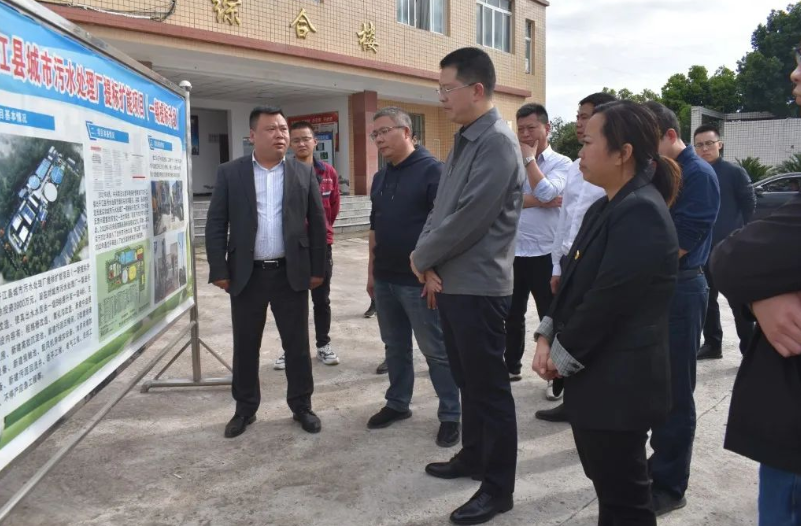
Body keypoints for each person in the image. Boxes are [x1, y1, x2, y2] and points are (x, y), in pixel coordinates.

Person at [533, 100, 680, 526]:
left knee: (626, 502)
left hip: (620, 386)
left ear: (623, 153)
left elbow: (609, 302)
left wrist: (559, 357)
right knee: (610, 490)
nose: (580, 151)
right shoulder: (606, 206)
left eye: (589, 142)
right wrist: (546, 333)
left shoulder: (642, 211)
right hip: (596, 378)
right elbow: (574, 282)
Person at [411, 47, 524, 525]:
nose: (441, 98)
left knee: (490, 391)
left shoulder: (497, 142)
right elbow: (440, 210)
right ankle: (474, 456)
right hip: (452, 283)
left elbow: (470, 219)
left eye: (447, 89)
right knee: (468, 383)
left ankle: (498, 489)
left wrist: (421, 258)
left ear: (476, 89)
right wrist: (424, 260)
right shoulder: (464, 139)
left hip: (479, 287)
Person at [710, 50, 801, 526]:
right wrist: (764, 290)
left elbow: (731, 256)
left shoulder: (731, 174)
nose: (794, 73)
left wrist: (757, 274)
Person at [205, 106, 327, 438]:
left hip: (290, 273)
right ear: (252, 136)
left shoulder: (302, 172)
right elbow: (216, 223)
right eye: (271, 129)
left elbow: (318, 223)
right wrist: (219, 268)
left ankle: (302, 406)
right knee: (246, 346)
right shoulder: (231, 173)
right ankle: (245, 409)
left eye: (284, 129)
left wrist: (318, 269)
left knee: (297, 346)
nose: (280, 135)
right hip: (247, 275)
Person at [365, 107, 461, 447]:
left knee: (436, 351)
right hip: (386, 278)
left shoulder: (434, 171)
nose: (378, 139)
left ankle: (451, 414)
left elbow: (445, 229)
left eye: (384, 131)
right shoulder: (381, 176)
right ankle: (397, 403)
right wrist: (371, 272)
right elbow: (375, 227)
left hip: (419, 281)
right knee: (395, 347)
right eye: (374, 134)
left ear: (406, 132)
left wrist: (432, 271)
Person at [643, 101, 720, 516]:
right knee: (653, 387)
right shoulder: (660, 170)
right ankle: (655, 466)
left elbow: (679, 243)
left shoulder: (698, 175)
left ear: (670, 136)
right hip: (655, 287)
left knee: (674, 393)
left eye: (648, 142)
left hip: (681, 289)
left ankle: (670, 485)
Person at [535, 91, 616, 423]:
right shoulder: (574, 167)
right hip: (571, 260)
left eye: (585, 116)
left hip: (596, 263)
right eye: (578, 116)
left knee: (590, 334)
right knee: (566, 329)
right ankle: (571, 401)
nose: (579, 123)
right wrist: (557, 265)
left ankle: (592, 406)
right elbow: (564, 220)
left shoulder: (615, 173)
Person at [504, 103, 570, 383]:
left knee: (551, 316)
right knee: (511, 314)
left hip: (546, 253)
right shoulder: (510, 161)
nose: (525, 134)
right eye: (520, 129)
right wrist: (539, 201)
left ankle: (556, 376)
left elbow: (548, 191)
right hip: (514, 251)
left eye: (531, 128)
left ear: (547, 128)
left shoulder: (562, 163)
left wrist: (530, 160)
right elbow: (502, 200)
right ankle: (511, 365)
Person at [272, 121, 341, 370]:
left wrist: (321, 233)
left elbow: (333, 209)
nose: (302, 143)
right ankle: (290, 349)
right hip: (292, 247)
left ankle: (323, 344)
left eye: (306, 139)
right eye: (296, 139)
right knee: (291, 302)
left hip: (321, 246)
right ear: (290, 144)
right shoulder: (283, 172)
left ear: (315, 142)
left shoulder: (329, 173)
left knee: (321, 299)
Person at [692, 124, 756, 359]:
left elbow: (749, 205)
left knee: (739, 302)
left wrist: (743, 236)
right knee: (708, 300)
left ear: (720, 144)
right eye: (699, 145)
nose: (704, 149)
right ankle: (713, 344)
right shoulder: (694, 173)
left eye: (709, 143)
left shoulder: (733, 172)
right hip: (703, 249)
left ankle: (749, 351)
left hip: (730, 249)